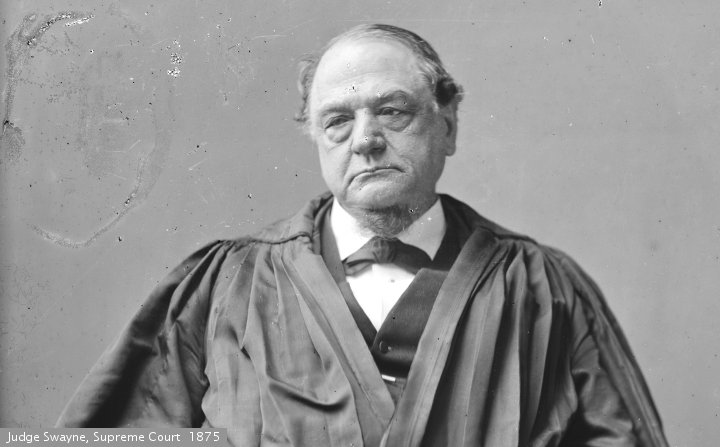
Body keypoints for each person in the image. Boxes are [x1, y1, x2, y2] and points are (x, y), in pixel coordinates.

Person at [57, 24, 669, 446]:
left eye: (392, 111)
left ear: (448, 125)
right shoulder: (223, 286)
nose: (366, 140)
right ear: (317, 139)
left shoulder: (545, 290)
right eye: (338, 121)